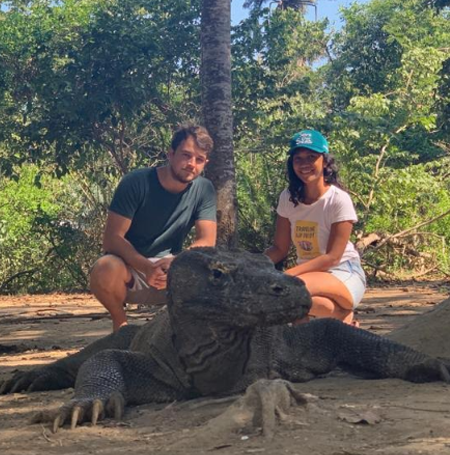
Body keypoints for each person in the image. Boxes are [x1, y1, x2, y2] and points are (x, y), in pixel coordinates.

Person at [90, 124, 217, 331]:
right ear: (171, 154)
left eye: (199, 159)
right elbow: (112, 238)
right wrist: (147, 267)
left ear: (205, 163)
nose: (191, 164)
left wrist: (176, 262)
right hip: (131, 268)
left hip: (173, 268)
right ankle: (121, 326)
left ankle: (182, 331)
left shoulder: (204, 189)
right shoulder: (136, 182)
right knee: (104, 268)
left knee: (216, 274)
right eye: (186, 155)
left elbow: (207, 241)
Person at [264, 129, 366, 325]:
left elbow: (332, 257)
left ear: (325, 161)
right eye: (298, 158)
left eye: (311, 157)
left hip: (343, 271)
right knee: (311, 307)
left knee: (290, 293)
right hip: (308, 274)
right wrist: (252, 265)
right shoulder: (287, 197)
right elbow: (279, 249)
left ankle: (341, 321)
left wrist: (289, 274)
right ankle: (342, 319)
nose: (304, 164)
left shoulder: (338, 200)